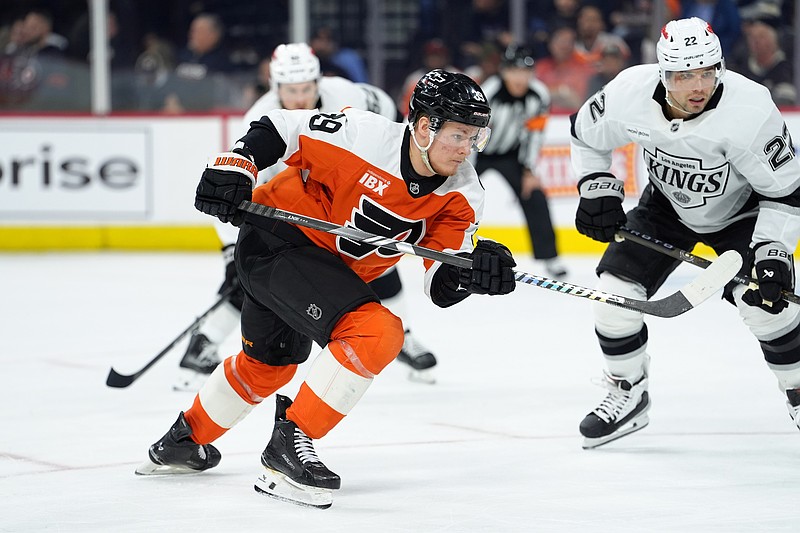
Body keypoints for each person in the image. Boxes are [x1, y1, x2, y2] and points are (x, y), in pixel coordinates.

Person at [136, 69, 517, 509]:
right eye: (459, 135)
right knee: (377, 332)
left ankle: (184, 442)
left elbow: (439, 283)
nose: (468, 149)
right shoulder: (362, 135)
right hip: (276, 237)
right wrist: (237, 164)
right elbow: (281, 127)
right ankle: (288, 448)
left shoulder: (463, 193)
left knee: (270, 365)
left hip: (320, 272)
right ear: (425, 126)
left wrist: (472, 273)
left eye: (476, 138)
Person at [569, 17, 800, 449]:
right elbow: (585, 135)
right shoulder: (628, 93)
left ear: (721, 67)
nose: (697, 86)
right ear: (661, 73)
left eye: (706, 71)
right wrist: (596, 188)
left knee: (766, 309)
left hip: (743, 215)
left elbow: (787, 193)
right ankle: (628, 393)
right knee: (613, 297)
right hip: (665, 208)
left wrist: (772, 251)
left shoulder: (750, 109)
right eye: (682, 75)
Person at [175, 43, 440, 391]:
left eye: (306, 89)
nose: (300, 98)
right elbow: (234, 187)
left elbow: (390, 117)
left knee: (380, 256)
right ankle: (204, 341)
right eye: (291, 91)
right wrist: (231, 251)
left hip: (346, 190)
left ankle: (401, 335)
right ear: (276, 88)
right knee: (258, 274)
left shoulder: (345, 93)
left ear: (318, 81)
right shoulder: (261, 122)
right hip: (295, 207)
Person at [477, 45, 567, 278]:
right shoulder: (489, 93)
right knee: (455, 194)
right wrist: (462, 170)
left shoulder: (538, 95)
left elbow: (534, 135)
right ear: (503, 72)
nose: (520, 78)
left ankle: (550, 257)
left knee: (535, 196)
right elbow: (472, 133)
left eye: (525, 72)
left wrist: (528, 170)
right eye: (514, 71)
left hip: (511, 155)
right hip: (477, 153)